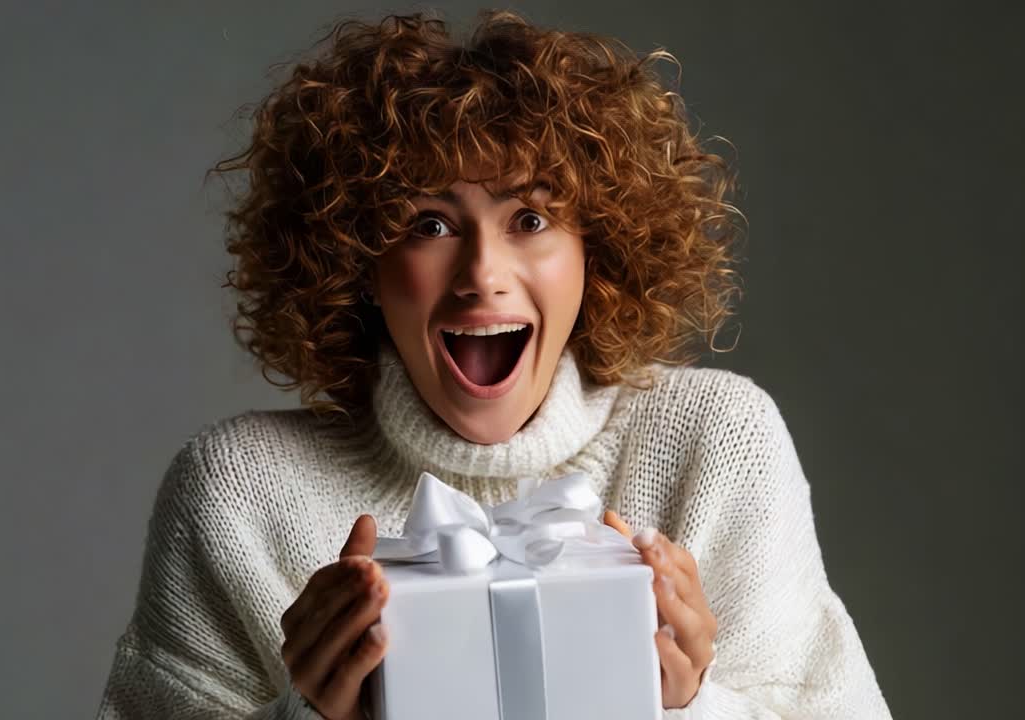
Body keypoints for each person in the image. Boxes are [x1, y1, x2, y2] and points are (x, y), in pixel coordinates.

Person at [95, 9, 892, 720]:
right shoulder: (235, 491)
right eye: (429, 224)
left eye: (531, 218)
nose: (483, 273)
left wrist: (688, 707)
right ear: (357, 260)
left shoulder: (716, 443)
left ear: (597, 249)